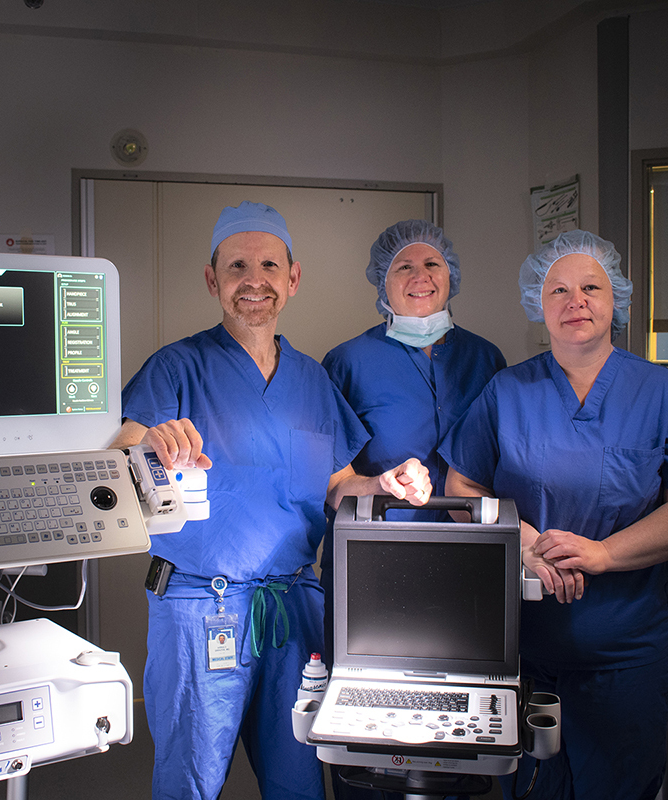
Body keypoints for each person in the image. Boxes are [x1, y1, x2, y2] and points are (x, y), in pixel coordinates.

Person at [111, 201, 431, 800]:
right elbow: (117, 458)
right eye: (236, 266)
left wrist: (384, 484)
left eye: (268, 266)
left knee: (298, 779)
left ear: (293, 278)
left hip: (292, 606)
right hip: (200, 607)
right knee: (190, 780)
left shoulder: (312, 380)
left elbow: (336, 484)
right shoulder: (176, 367)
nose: (253, 280)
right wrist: (149, 443)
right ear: (213, 280)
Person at [440, 230, 668, 800]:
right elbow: (464, 484)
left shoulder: (659, 391)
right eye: (558, 290)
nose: (575, 301)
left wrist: (603, 554)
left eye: (591, 288)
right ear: (539, 304)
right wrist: (526, 544)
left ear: (615, 299)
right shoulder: (508, 391)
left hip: (624, 654)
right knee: (531, 788)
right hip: (522, 650)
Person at [318, 219, 505, 800]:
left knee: (466, 732)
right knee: (372, 736)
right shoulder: (347, 362)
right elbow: (331, 484)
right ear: (382, 280)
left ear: (451, 275)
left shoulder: (486, 358)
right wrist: (382, 483)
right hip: (375, 571)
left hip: (471, 570)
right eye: (404, 266)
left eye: (432, 264)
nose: (419, 276)